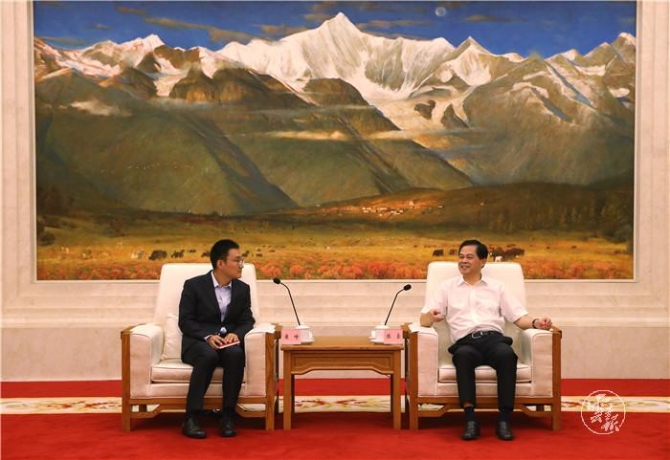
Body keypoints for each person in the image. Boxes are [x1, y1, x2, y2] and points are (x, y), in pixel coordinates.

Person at [419, 239, 552, 441]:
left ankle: (504, 420)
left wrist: (536, 322)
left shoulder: (497, 288)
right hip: (465, 342)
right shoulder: (447, 288)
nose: (463, 261)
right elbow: (423, 320)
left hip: (493, 340)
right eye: (461, 257)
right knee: (462, 357)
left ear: (482, 261)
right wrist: (431, 317)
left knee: (507, 355)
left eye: (469, 257)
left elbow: (518, 317)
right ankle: (470, 420)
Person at [178, 239, 255, 439]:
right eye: (237, 260)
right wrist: (207, 336)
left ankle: (228, 416)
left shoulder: (242, 289)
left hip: (227, 343)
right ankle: (191, 417)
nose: (241, 265)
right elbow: (185, 321)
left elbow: (247, 320)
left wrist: (236, 334)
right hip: (198, 343)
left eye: (242, 260)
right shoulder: (194, 286)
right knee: (208, 355)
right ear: (221, 263)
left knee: (235, 354)